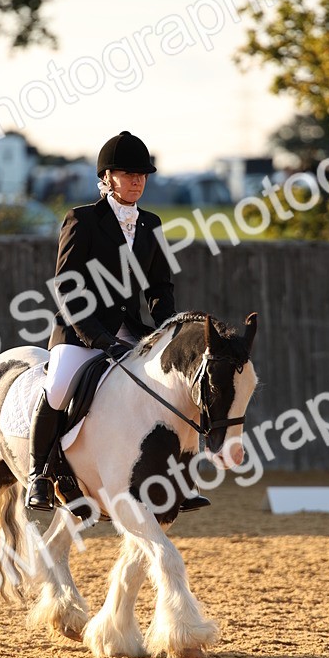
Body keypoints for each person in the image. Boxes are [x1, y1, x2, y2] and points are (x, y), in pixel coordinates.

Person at [25, 130, 209, 514]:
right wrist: (97, 337)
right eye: (128, 174)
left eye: (142, 174)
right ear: (107, 177)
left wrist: (167, 328)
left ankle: (182, 476)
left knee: (178, 385)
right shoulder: (83, 219)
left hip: (131, 328)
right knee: (59, 387)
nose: (137, 180)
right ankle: (38, 474)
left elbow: (159, 286)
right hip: (81, 329)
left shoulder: (151, 223)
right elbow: (68, 286)